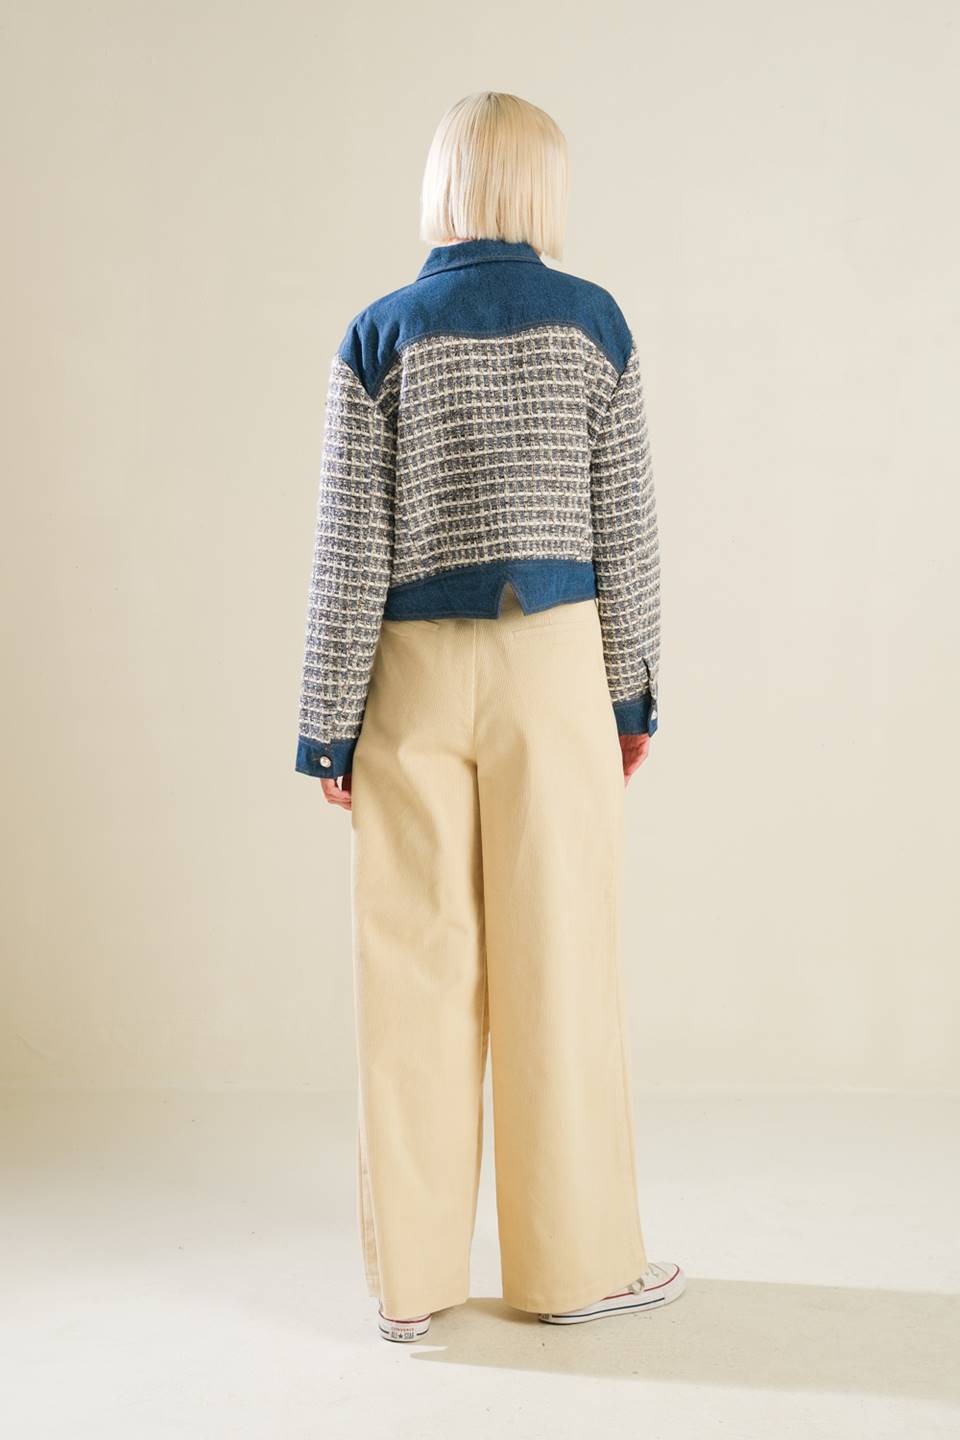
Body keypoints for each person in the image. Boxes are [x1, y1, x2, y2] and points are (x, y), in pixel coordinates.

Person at [295, 90, 685, 1343]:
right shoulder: (595, 324)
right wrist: (630, 693)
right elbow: (626, 533)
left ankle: (411, 1291)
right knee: (558, 961)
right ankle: (573, 1273)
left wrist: (327, 724)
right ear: (540, 188)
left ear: (446, 184)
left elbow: (347, 552)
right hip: (553, 671)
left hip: (408, 672)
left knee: (413, 967)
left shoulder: (379, 334)